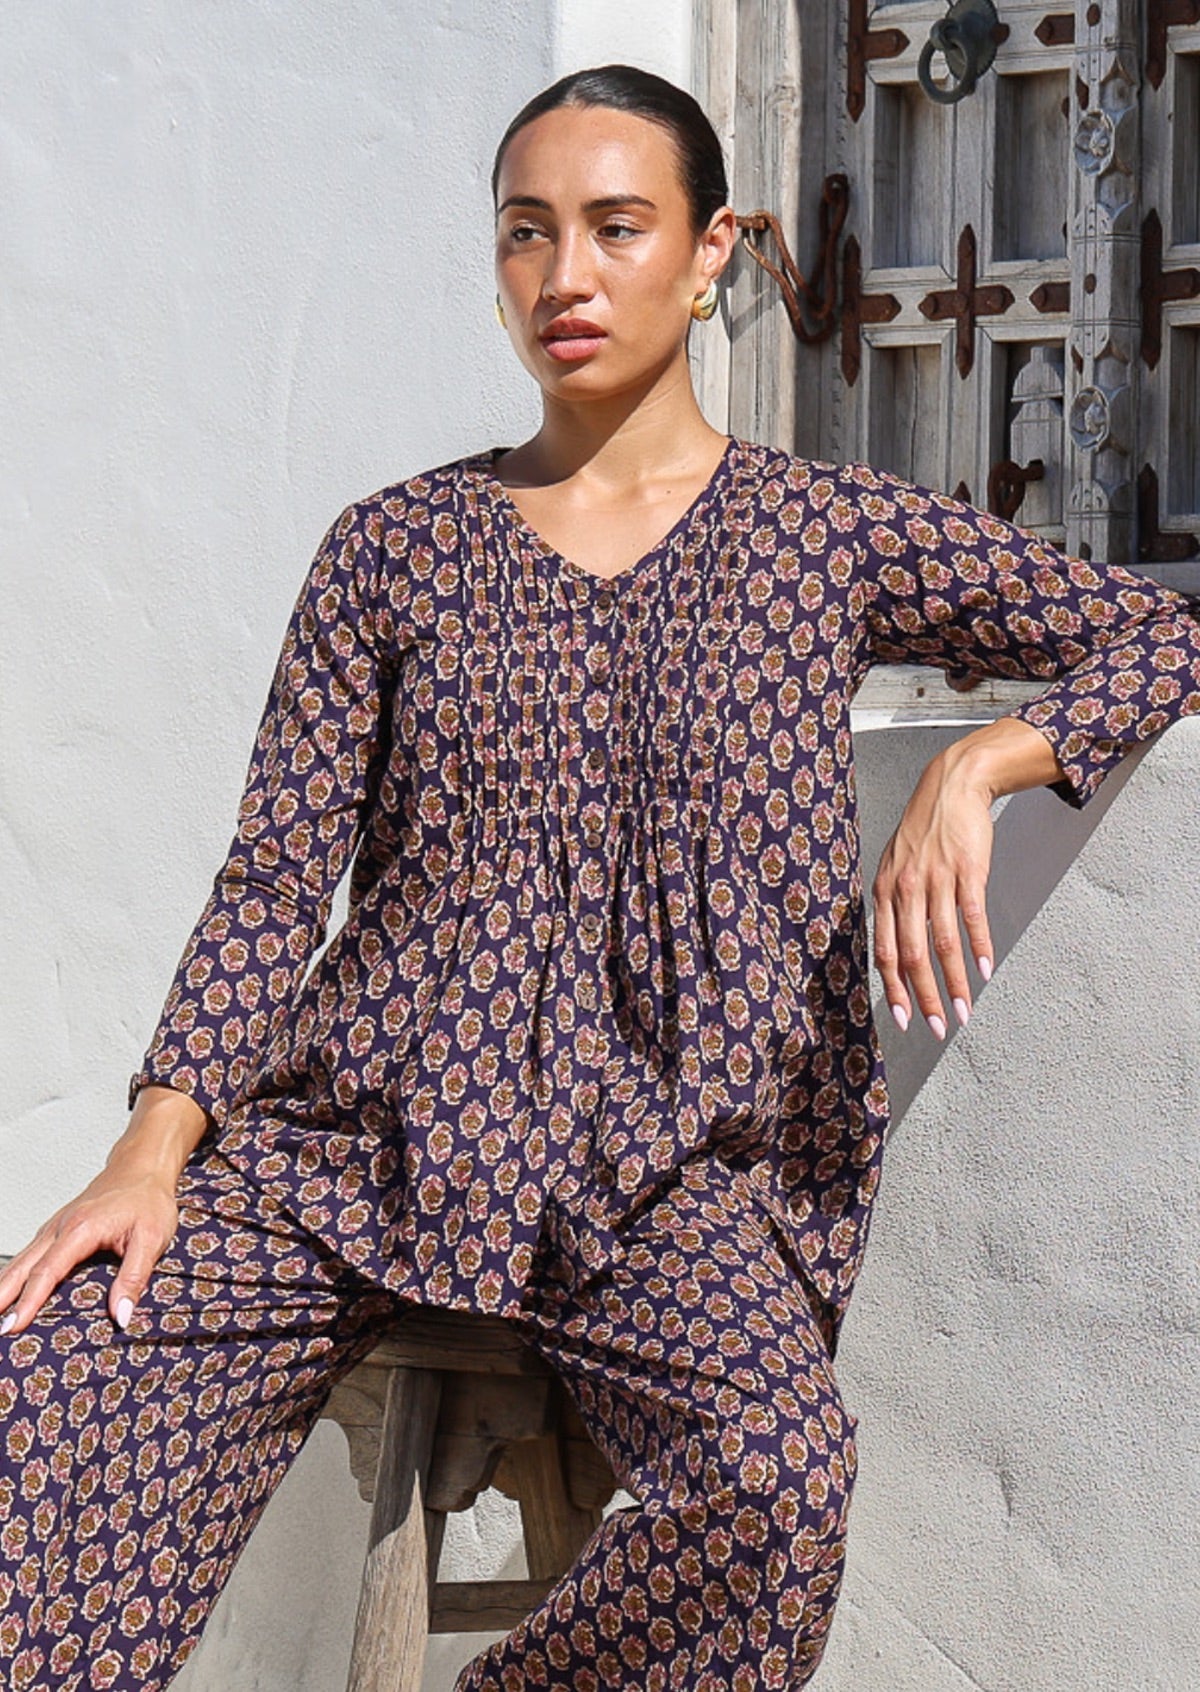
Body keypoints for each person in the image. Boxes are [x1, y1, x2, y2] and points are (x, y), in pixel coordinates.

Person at [2, 60, 1198, 1692]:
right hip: (369, 1145)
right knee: (51, 1381)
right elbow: (278, 875)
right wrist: (155, 1148)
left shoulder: (824, 538)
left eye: (616, 228)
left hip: (670, 1170)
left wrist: (989, 764)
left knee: (776, 1487)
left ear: (712, 252)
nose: (564, 276)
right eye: (525, 232)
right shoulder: (393, 549)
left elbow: (1154, 631)